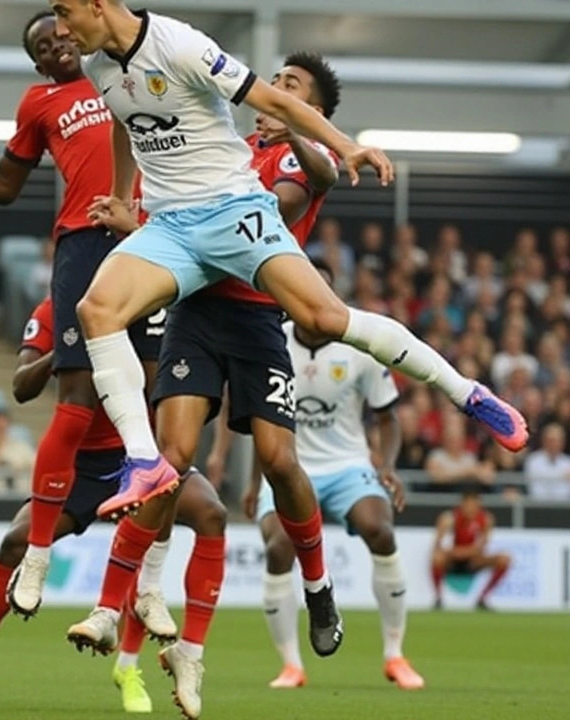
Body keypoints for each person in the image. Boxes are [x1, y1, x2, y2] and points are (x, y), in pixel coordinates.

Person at [49, 0, 525, 536]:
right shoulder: (98, 65)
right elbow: (124, 119)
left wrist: (345, 146)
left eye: (65, 12)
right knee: (97, 309)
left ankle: (466, 392)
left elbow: (273, 98)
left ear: (98, 4)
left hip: (233, 208)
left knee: (324, 319)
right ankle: (143, 460)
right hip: (170, 226)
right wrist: (121, 197)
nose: (61, 30)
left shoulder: (179, 44)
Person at [77, 52, 352, 716]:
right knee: (169, 461)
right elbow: (186, 225)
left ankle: (317, 585)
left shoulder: (293, 157)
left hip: (260, 324)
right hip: (197, 314)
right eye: (277, 81)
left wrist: (301, 139)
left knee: (280, 460)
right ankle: (108, 606)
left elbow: (296, 200)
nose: (274, 89)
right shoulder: (227, 148)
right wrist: (135, 222)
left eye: (291, 87)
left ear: (310, 109)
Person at [0, 8, 165, 620]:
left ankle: (143, 581)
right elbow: (4, 184)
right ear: (38, 62)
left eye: (61, 33)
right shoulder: (40, 103)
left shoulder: (124, 69)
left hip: (149, 233)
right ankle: (40, 549)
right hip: (83, 238)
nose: (57, 45)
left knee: (153, 399)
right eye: (43, 45)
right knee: (75, 397)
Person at [0, 296, 225, 715]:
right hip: (81, 466)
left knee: (210, 512)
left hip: (137, 456)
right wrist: (64, 352)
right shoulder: (53, 311)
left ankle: (131, 668)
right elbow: (21, 386)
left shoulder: (145, 301)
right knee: (15, 542)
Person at [243, 260, 424, 690]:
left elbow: (387, 417)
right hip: (289, 466)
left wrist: (387, 467)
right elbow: (258, 419)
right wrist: (253, 482)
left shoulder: (357, 345)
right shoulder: (272, 342)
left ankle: (395, 656)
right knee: (278, 546)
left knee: (380, 529)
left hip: (347, 466)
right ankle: (291, 665)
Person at [430, 487, 512, 611]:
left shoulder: (485, 519)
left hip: (472, 561)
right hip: (452, 560)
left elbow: (482, 546)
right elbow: (438, 545)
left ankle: (483, 598)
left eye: (475, 506)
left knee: (504, 559)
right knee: (437, 558)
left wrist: (462, 552)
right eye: (469, 505)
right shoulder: (449, 518)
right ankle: (438, 597)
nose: (472, 509)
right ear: (462, 504)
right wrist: (456, 552)